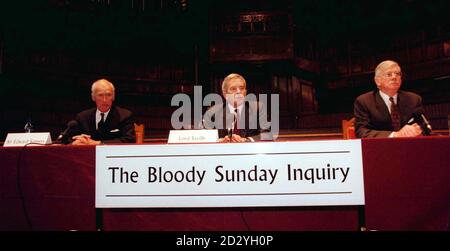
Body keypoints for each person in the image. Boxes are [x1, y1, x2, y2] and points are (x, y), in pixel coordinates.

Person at [354, 60, 424, 138]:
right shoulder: (364, 101)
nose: (394, 77)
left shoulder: (414, 99)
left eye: (397, 74)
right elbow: (362, 132)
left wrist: (418, 130)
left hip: (409, 146)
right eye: (389, 74)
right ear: (378, 81)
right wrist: (395, 135)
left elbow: (424, 126)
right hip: (380, 147)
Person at [202, 73, 271, 142]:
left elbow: (267, 134)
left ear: (245, 92)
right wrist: (219, 141)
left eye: (242, 88)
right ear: (225, 94)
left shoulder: (258, 109)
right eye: (233, 89)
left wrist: (246, 140)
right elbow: (204, 136)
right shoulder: (213, 112)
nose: (238, 92)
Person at [69, 79, 135, 145]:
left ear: (113, 97)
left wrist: (98, 143)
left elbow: (129, 139)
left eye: (108, 95)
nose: (104, 100)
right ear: (93, 97)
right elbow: (71, 139)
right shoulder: (82, 117)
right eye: (100, 95)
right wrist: (76, 142)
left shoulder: (125, 116)